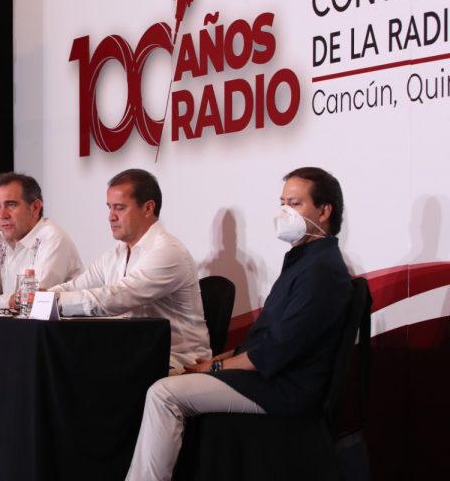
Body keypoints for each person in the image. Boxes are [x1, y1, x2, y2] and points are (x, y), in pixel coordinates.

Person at [125, 167, 353, 481]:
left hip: (283, 389)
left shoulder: (322, 270)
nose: (285, 211)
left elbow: (277, 350)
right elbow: (266, 338)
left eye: (296, 203)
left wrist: (217, 369)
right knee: (164, 381)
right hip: (270, 379)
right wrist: (218, 359)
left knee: (164, 394)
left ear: (324, 211)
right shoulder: (305, 260)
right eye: (282, 202)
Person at [50, 168, 210, 371]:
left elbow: (113, 300)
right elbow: (75, 287)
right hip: (134, 353)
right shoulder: (115, 254)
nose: (111, 217)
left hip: (177, 361)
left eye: (120, 208)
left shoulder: (168, 252)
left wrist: (49, 302)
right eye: (109, 208)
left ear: (148, 208)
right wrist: (41, 296)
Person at [0, 172, 83, 310]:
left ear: (35, 207)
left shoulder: (53, 238)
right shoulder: (2, 239)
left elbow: (32, 300)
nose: (2, 215)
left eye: (11, 204)